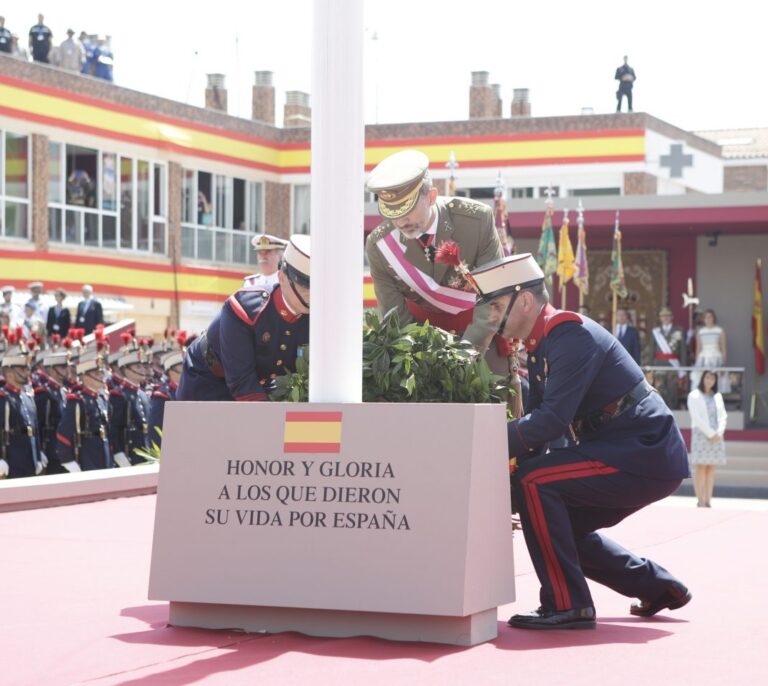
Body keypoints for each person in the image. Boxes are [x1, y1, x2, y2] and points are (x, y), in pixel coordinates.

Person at [469, 253, 691, 630]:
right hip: (624, 447)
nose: (490, 318)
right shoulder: (543, 343)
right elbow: (537, 431)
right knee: (553, 519)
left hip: (642, 447)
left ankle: (567, 604)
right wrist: (506, 470)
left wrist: (477, 447)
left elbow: (551, 420)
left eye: (495, 306)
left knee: (534, 483)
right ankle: (657, 587)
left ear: (524, 300)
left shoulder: (568, 333)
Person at [365, 150, 506, 372]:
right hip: (421, 358)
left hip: (481, 346)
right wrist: (430, 364)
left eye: (408, 209)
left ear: (431, 196)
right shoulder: (379, 246)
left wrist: (464, 356)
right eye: (392, 213)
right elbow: (395, 318)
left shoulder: (477, 221)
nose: (400, 221)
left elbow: (495, 298)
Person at [178, 234, 310, 401]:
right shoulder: (246, 309)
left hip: (262, 386)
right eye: (304, 285)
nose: (311, 294)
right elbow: (243, 384)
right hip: (207, 380)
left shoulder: (315, 319)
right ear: (282, 278)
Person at [57, 348, 114, 472]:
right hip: (87, 453)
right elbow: (63, 433)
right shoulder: (77, 400)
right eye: (96, 374)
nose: (101, 377)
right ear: (84, 376)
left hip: (103, 452)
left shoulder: (101, 399)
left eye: (101, 374)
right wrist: (68, 460)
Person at [0, 337, 47, 478]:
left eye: (27, 368)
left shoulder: (28, 397)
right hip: (12, 461)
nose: (27, 372)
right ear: (9, 373)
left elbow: (35, 429)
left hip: (30, 460)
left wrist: (38, 455)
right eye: (22, 369)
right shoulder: (3, 398)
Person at [687, 370, 727, 508]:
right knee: (700, 467)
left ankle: (708, 499)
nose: (709, 381)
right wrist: (710, 433)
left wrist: (719, 432)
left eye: (712, 378)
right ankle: (700, 499)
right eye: (707, 377)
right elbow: (696, 417)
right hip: (701, 434)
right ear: (703, 378)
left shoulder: (717, 396)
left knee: (711, 467)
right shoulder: (694, 395)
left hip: (716, 436)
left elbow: (723, 416)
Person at [109, 337, 151, 466]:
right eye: (137, 367)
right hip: (129, 454)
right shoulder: (119, 395)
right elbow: (113, 428)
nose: (143, 370)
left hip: (145, 451)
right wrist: (119, 454)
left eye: (143, 366)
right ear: (126, 370)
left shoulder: (143, 394)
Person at [648, 306, 687, 409]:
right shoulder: (655, 331)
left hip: (673, 366)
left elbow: (683, 350)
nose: (665, 318)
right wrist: (651, 368)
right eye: (663, 316)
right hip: (659, 365)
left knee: (673, 392)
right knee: (659, 391)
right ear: (660, 318)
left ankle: (673, 411)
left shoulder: (679, 330)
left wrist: (682, 368)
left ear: (671, 317)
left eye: (667, 316)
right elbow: (652, 350)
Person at [691, 308, 729, 391]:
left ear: (714, 318)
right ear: (704, 319)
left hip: (716, 358)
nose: (708, 319)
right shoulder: (700, 332)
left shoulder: (719, 331)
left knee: (716, 378)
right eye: (706, 317)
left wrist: (724, 363)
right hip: (703, 358)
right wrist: (697, 362)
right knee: (701, 378)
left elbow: (723, 348)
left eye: (710, 317)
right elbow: (698, 348)